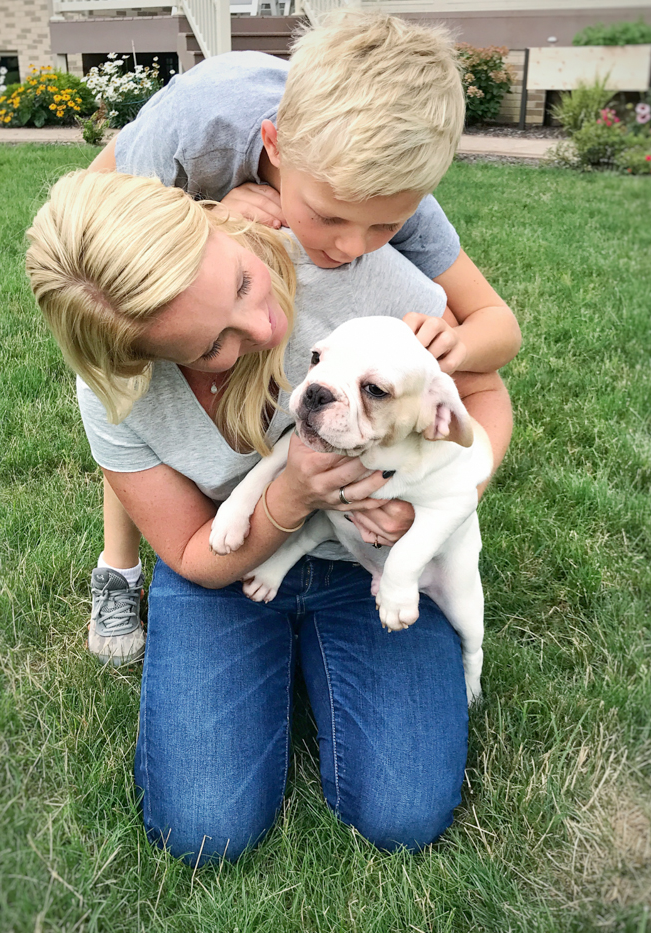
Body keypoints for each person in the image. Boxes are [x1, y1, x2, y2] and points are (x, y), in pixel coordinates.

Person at [27, 168, 473, 864]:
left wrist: (442, 506)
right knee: (205, 829)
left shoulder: (353, 275)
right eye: (210, 347)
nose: (264, 326)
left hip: (371, 566)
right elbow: (194, 551)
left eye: (240, 282)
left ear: (211, 220)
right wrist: (292, 495)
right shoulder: (115, 392)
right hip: (227, 569)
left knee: (403, 814)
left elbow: (478, 396)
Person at [85, 11, 521, 666]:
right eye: (330, 217)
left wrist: (448, 497)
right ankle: (118, 564)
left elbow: (497, 325)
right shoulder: (198, 128)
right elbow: (105, 229)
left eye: (384, 228)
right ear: (276, 146)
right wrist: (208, 219)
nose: (352, 247)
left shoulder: (389, 185)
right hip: (144, 188)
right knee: (124, 364)